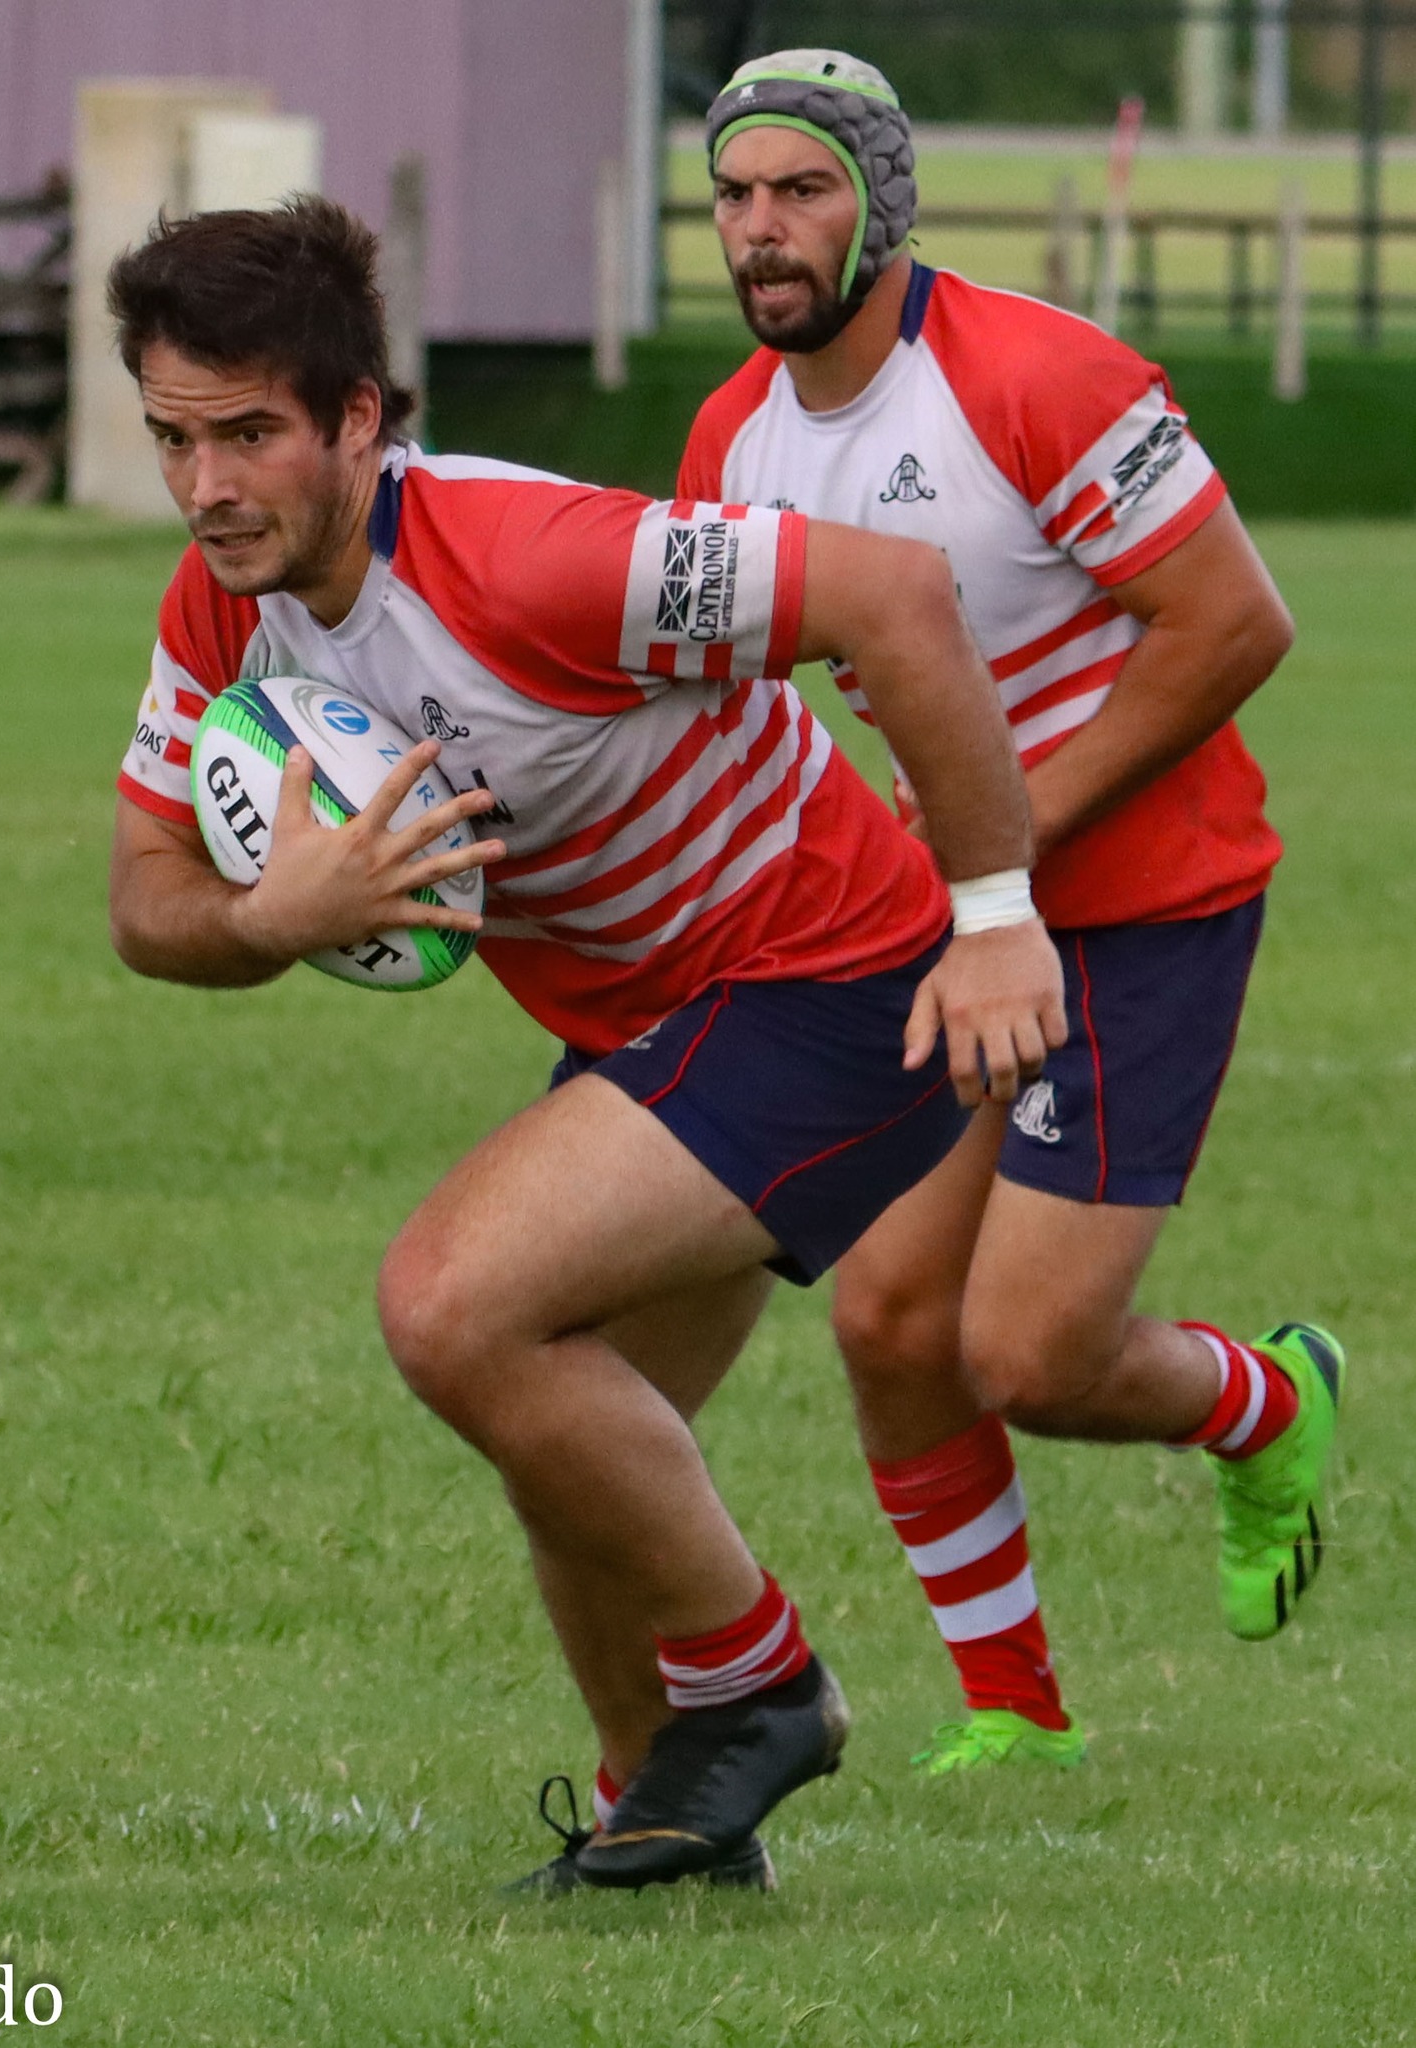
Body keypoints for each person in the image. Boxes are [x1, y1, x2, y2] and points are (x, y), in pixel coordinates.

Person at [103, 195, 1066, 1890]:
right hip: (662, 1026)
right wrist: (273, 915)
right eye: (174, 438)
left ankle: (758, 1681)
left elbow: (894, 596)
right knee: (572, 1443)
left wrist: (994, 917)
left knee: (452, 1303)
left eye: (247, 433)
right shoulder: (221, 608)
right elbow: (144, 896)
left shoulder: (534, 560)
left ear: (353, 415)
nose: (207, 488)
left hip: (836, 979)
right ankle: (668, 1823)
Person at [664, 51, 1336, 1777]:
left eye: (799, 190)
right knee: (887, 1315)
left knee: (1023, 1350)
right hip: (949, 912)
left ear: (876, 202)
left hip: (1139, 903)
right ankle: (1015, 1713)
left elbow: (1231, 621)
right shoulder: (728, 437)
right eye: (733, 195)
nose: (761, 229)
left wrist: (1008, 832)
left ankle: (1267, 1400)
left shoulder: (1033, 371)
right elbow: (712, 696)